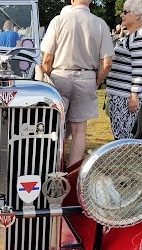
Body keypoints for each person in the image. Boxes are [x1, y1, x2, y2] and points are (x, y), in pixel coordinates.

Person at [40, 0, 114, 166]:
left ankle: (50, 166)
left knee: (54, 126)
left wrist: (50, 76)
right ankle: (72, 172)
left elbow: (46, 59)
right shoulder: (100, 24)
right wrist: (96, 81)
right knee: (80, 130)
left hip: (60, 75)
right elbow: (107, 63)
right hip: (86, 77)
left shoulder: (58, 20)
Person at [106, 0, 142, 139]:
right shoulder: (130, 36)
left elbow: (140, 69)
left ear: (137, 15)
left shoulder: (140, 37)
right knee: (120, 136)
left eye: (126, 12)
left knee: (123, 138)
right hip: (119, 95)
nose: (122, 15)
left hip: (125, 98)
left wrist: (134, 96)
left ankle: (122, 161)